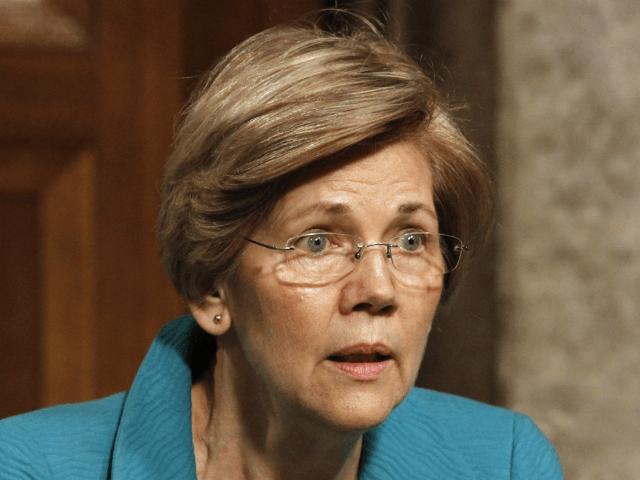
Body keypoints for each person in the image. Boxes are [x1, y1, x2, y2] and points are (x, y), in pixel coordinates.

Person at [0, 12, 563, 480]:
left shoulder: (503, 463)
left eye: (410, 239)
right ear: (209, 285)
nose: (379, 289)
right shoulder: (29, 467)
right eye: (318, 242)